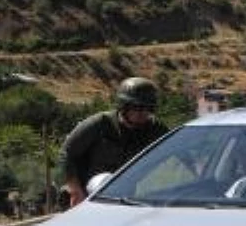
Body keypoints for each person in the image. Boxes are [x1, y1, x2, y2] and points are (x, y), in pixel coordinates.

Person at [57, 77, 170, 206]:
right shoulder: (99, 124)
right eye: (137, 108)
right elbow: (67, 153)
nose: (143, 113)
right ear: (124, 106)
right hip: (84, 193)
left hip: (122, 196)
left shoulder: (155, 128)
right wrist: (75, 191)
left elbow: (180, 148)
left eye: (148, 108)